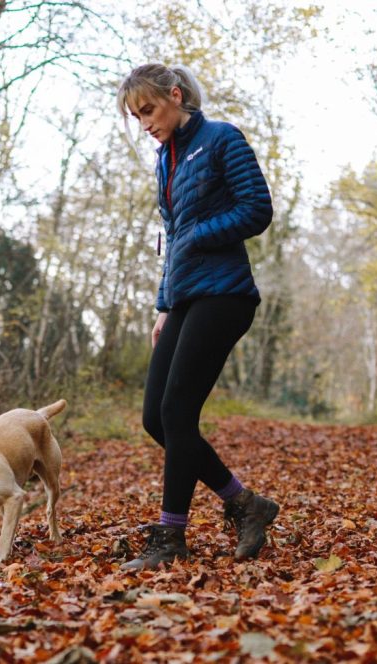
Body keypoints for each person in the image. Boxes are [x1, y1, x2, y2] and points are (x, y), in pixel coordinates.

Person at [116, 63, 280, 570]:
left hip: (226, 295)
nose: (145, 122)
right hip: (185, 297)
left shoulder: (222, 138)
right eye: (136, 116)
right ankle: (245, 504)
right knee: (156, 418)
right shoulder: (164, 161)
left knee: (177, 413)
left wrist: (199, 235)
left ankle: (171, 537)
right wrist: (164, 305)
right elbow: (170, 237)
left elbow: (257, 209)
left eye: (149, 110)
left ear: (175, 94)